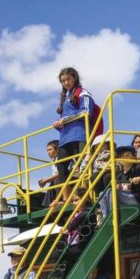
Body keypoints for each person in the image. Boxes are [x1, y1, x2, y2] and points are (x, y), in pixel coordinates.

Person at [52, 67, 97, 198]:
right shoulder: (65, 98)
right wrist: (58, 124)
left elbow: (86, 112)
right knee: (60, 166)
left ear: (74, 78)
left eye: (68, 79)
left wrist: (64, 119)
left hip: (80, 135)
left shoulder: (82, 93)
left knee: (83, 165)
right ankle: (66, 197)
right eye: (63, 81)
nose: (66, 83)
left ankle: (86, 195)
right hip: (65, 138)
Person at [97, 146, 140, 220]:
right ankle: (106, 217)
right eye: (122, 156)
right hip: (126, 197)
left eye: (128, 155)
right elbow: (118, 188)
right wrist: (115, 185)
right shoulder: (120, 174)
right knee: (102, 194)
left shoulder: (138, 168)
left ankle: (111, 217)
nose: (125, 158)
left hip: (137, 198)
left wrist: (139, 178)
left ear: (133, 157)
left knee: (111, 193)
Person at [36, 139, 61, 206]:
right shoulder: (54, 161)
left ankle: (62, 200)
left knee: (56, 181)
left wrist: (46, 180)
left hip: (67, 179)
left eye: (50, 149)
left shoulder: (61, 158)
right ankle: (48, 204)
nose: (48, 152)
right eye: (47, 150)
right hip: (59, 181)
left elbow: (61, 174)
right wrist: (45, 181)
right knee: (52, 185)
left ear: (57, 149)